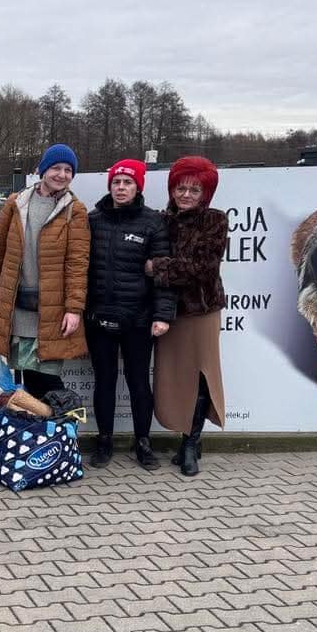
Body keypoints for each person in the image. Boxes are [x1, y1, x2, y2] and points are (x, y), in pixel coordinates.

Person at [0, 143, 90, 399]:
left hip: (51, 309)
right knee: (25, 373)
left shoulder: (75, 210)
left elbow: (77, 264)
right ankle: (37, 430)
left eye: (68, 170)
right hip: (18, 307)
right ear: (42, 170)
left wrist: (73, 309)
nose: (62, 174)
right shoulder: (16, 204)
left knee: (46, 375)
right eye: (56, 167)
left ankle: (58, 424)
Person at [84, 159, 176, 470]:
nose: (121, 188)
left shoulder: (153, 223)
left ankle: (143, 443)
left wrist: (162, 315)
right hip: (99, 319)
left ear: (138, 187)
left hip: (138, 319)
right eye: (116, 183)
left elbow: (163, 275)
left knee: (139, 382)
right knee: (105, 382)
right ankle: (104, 440)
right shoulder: (92, 220)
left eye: (127, 183)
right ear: (109, 186)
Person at [147, 156, 228, 476]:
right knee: (175, 380)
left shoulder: (215, 221)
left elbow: (204, 269)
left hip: (202, 312)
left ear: (205, 193)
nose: (186, 195)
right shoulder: (161, 221)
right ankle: (185, 438)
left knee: (202, 378)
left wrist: (158, 268)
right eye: (181, 188)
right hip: (168, 313)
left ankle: (191, 443)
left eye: (194, 189)